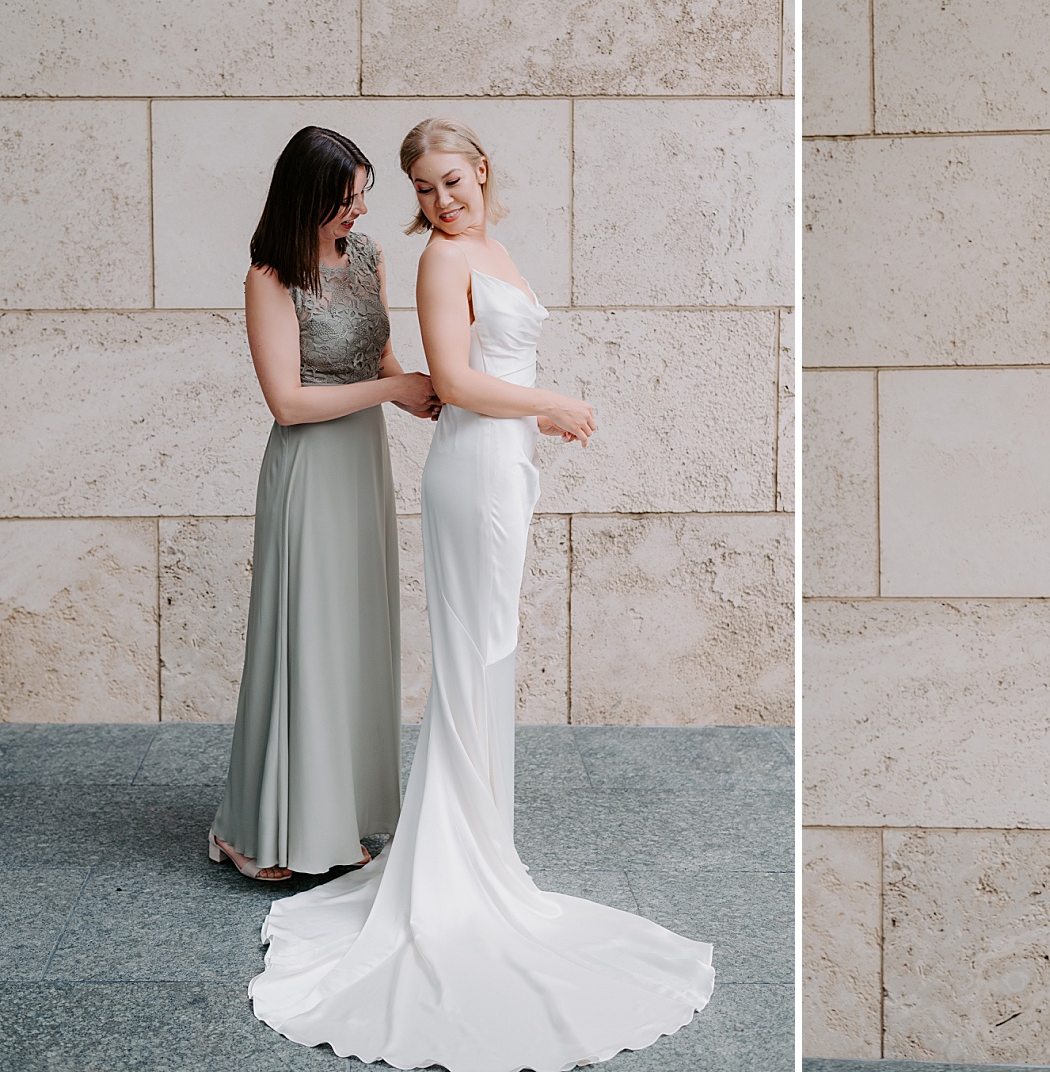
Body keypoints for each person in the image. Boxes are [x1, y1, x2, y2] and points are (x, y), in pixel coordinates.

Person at [247, 117, 713, 1072]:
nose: (436, 201)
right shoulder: (436, 263)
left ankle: (478, 848)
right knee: (470, 655)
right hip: (473, 468)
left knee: (490, 653)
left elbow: (428, 371)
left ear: (483, 171)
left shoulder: (482, 246)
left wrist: (514, 415)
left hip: (505, 468)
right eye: (422, 188)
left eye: (446, 182)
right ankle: (451, 867)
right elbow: (453, 378)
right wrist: (550, 402)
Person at [213, 125, 438, 882]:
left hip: (361, 463)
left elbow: (378, 358)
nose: (362, 211)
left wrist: (422, 395)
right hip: (310, 469)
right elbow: (287, 401)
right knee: (303, 640)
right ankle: (261, 828)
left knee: (352, 637)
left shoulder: (369, 259)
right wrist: (392, 390)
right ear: (306, 198)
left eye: (364, 193)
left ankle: (342, 812)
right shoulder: (269, 277)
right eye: (346, 199)